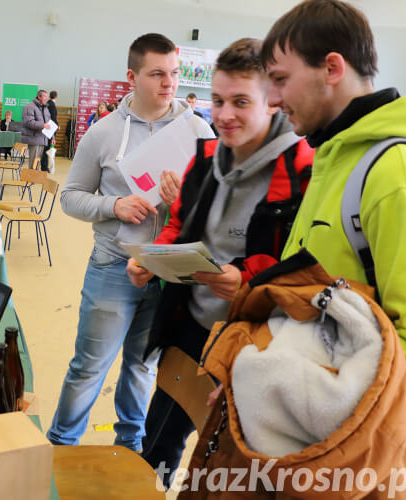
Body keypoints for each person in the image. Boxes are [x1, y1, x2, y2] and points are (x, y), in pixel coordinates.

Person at [127, 38, 314, 488]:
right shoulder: (207, 156)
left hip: (256, 343)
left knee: (235, 465)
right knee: (159, 445)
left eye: (240, 102)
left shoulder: (304, 170)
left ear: (272, 100)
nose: (224, 114)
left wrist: (247, 279)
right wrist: (155, 259)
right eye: (217, 100)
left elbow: (310, 268)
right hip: (191, 330)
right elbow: (180, 222)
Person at [47, 33, 214, 452]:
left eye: (174, 73)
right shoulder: (104, 132)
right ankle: (61, 446)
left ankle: (130, 449)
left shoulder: (198, 130)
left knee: (142, 367)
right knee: (90, 367)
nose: (168, 83)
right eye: (157, 74)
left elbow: (215, 203)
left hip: (167, 271)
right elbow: (70, 197)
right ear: (131, 77)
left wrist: (185, 202)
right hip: (112, 267)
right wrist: (114, 205)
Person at [261, 0, 406, 396]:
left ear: (332, 68)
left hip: (342, 439)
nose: (270, 99)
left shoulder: (394, 171)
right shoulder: (331, 156)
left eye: (280, 79)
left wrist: (313, 397)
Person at [21, 89, 52, 170]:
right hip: (34, 139)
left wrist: (52, 136)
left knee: (37, 163)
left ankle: (33, 180)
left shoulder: (45, 108)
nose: (46, 98)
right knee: (33, 164)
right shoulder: (29, 107)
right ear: (39, 96)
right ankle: (29, 181)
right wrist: (43, 125)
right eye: (44, 96)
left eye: (46, 96)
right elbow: (28, 122)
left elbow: (48, 123)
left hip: (43, 139)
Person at [41, 90, 60, 171]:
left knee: (46, 148)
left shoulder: (47, 104)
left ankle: (44, 166)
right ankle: (44, 167)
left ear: (49, 97)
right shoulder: (52, 105)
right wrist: (57, 126)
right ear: (56, 97)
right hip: (50, 130)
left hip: (45, 128)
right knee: (47, 149)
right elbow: (53, 118)